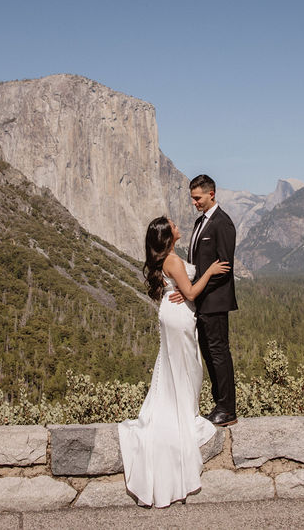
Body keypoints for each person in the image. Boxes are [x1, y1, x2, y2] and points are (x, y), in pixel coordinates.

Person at [118, 216, 231, 508]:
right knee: (187, 368)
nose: (177, 225)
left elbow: (182, 288)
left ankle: (180, 408)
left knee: (175, 366)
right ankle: (183, 414)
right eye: (173, 225)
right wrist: (211, 271)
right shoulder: (173, 261)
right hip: (179, 316)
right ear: (168, 236)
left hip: (171, 312)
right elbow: (191, 292)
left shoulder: (168, 260)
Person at [171, 174, 238, 427]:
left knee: (220, 354)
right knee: (210, 355)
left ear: (211, 194)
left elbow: (224, 267)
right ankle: (219, 405)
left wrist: (195, 292)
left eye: (197, 198)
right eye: (192, 198)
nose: (194, 203)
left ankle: (228, 409)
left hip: (216, 302)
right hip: (202, 302)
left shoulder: (223, 223)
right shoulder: (201, 223)